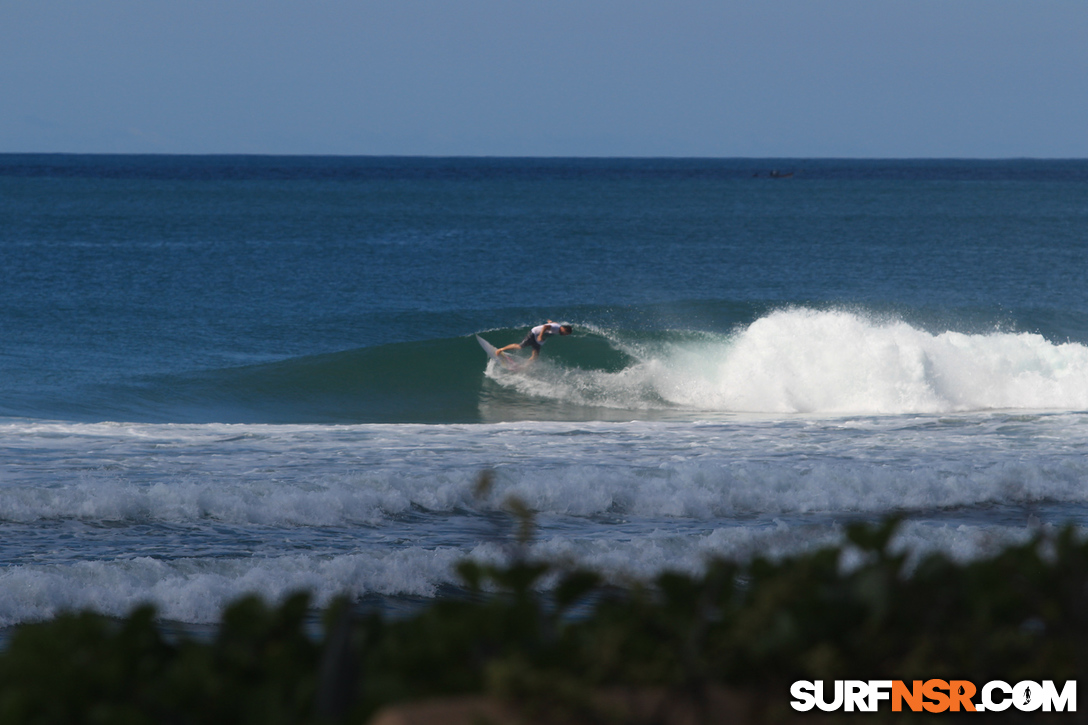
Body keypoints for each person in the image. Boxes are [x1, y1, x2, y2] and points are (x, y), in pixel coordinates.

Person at [495, 320, 572, 361]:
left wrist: (550, 322)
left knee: (535, 357)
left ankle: (523, 367)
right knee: (520, 346)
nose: (565, 335)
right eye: (566, 333)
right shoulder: (556, 328)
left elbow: (554, 323)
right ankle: (500, 349)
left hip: (539, 340)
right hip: (534, 334)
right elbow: (545, 327)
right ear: (564, 329)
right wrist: (541, 335)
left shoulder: (558, 327)